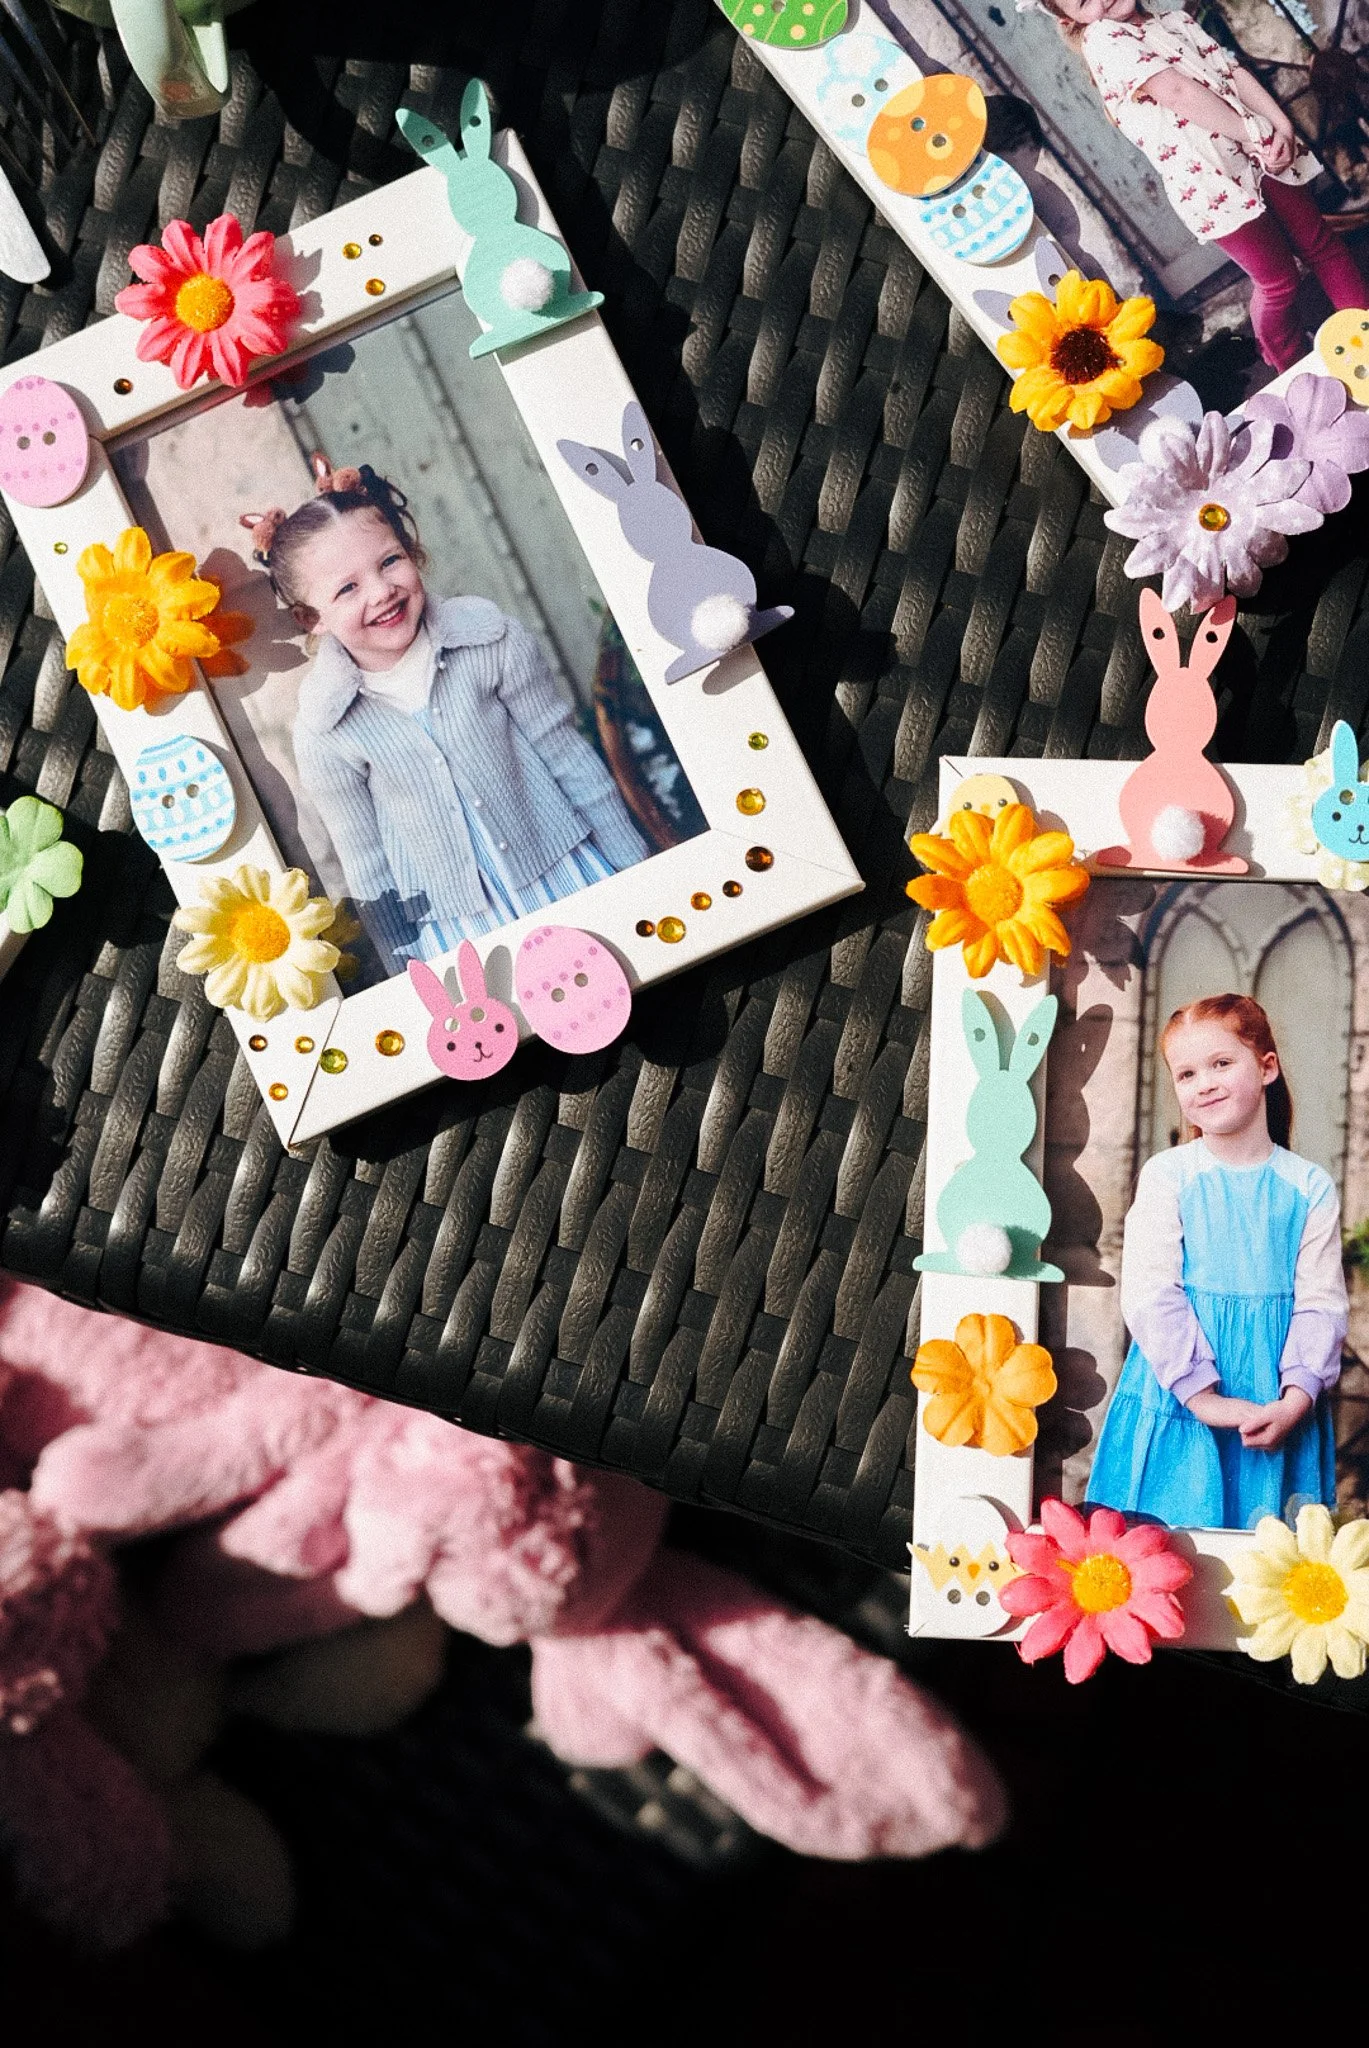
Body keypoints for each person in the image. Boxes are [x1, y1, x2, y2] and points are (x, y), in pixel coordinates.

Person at [242, 458, 649, 973]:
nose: (381, 592)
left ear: (411, 550)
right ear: (311, 618)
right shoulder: (325, 730)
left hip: (565, 874)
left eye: (389, 561)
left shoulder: (490, 639)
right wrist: (406, 973)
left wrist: (637, 873)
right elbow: (368, 863)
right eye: (347, 589)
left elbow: (569, 760)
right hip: (457, 933)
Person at [1088, 993, 1347, 1529]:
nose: (1203, 1083)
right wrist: (1204, 1398)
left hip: (1275, 1404)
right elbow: (1150, 1294)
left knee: (1263, 1561)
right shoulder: (1169, 1176)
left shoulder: (1309, 1187)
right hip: (1181, 1403)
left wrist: (1295, 1402)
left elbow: (1322, 1305)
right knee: (1165, 1555)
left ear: (1267, 1067)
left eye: (1221, 1063)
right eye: (1186, 1074)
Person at [1027, 0, 1369, 372]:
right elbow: (1177, 91)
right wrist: (1252, 135)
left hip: (1261, 148)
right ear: (1071, 20)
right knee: (1279, 280)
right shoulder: (1103, 38)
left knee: (1320, 242)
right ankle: (1291, 365)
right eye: (1084, 1)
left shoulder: (1175, 20)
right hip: (1211, 182)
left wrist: (1280, 126)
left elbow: (1234, 73)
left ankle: (1364, 339)